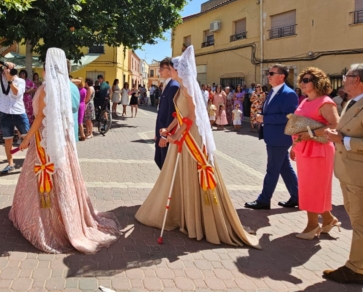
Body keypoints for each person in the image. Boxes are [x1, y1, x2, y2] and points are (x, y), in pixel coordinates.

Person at [135, 46, 259, 249]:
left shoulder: (189, 88)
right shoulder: (182, 86)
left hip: (191, 135)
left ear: (179, 70)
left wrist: (175, 134)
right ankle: (184, 214)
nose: (170, 70)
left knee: (192, 173)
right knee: (180, 174)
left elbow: (191, 117)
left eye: (173, 68)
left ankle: (198, 219)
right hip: (183, 133)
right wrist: (170, 128)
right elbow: (180, 114)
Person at [10, 48, 120, 253]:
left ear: (46, 69)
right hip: (64, 141)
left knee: (44, 177)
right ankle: (68, 214)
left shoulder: (45, 90)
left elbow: (40, 118)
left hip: (44, 139)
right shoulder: (68, 87)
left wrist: (26, 138)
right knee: (63, 177)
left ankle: (48, 222)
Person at [323, 64, 363, 284]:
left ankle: (356, 269)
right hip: (349, 173)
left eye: (346, 77)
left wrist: (343, 140)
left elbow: (350, 138)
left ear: (356, 80)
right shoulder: (352, 102)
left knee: (360, 223)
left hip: (359, 175)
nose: (343, 80)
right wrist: (337, 135)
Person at [289, 67, 340, 240]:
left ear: (317, 82)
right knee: (309, 187)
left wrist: (311, 134)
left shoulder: (325, 102)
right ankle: (328, 220)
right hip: (305, 150)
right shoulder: (305, 101)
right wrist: (294, 146)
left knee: (313, 188)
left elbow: (335, 125)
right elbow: (299, 126)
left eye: (307, 80)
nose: (302, 83)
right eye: (301, 80)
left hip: (319, 151)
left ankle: (312, 226)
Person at [245, 64, 299, 210]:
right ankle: (297, 196)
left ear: (282, 76)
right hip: (273, 137)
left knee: (272, 169)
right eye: (268, 73)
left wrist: (265, 119)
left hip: (280, 138)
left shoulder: (288, 94)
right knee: (284, 167)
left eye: (271, 73)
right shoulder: (273, 92)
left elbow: (290, 117)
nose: (268, 75)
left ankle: (264, 200)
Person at [0, 61, 30, 174]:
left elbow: (17, 93)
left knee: (28, 138)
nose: (6, 72)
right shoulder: (1, 78)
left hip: (19, 112)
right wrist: (3, 63)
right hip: (5, 113)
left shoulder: (21, 81)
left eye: (8, 70)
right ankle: (10, 164)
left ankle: (32, 162)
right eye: (4, 71)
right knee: (8, 139)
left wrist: (10, 80)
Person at [154, 58, 179, 170]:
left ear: (170, 70)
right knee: (160, 161)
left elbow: (172, 114)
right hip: (161, 132)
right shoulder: (168, 85)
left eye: (162, 68)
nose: (159, 71)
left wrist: (165, 135)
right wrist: (157, 133)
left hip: (166, 134)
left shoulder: (173, 86)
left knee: (165, 165)